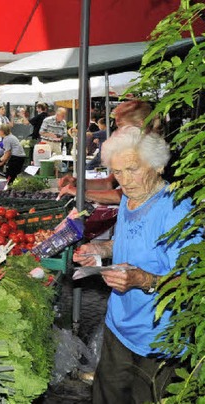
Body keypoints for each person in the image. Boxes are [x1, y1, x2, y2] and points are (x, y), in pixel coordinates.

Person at [72, 126, 202, 403]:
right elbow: (129, 242)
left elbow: (193, 283)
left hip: (159, 338)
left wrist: (143, 280)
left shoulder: (178, 211)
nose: (124, 181)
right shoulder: (130, 198)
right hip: (118, 324)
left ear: (158, 165)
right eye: (117, 172)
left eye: (132, 169)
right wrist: (101, 249)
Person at [57, 100, 154, 205]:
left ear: (141, 124)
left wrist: (80, 192)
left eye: (121, 126)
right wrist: (77, 183)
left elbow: (130, 194)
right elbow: (108, 183)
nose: (118, 132)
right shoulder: (133, 149)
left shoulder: (152, 152)